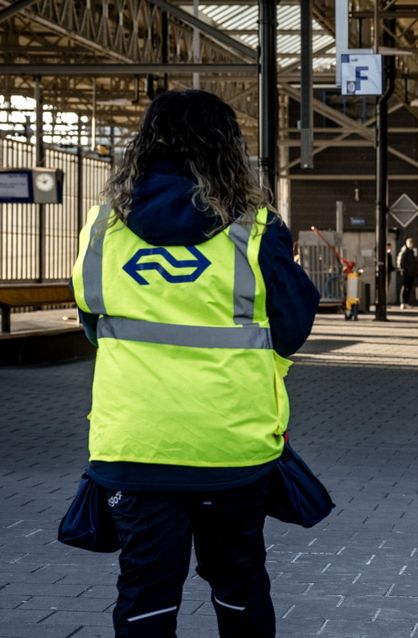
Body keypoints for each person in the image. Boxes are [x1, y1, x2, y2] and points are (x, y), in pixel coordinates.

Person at [70, 89, 320, 638]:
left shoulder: (100, 228)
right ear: (227, 150)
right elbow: (294, 325)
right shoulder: (253, 229)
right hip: (231, 446)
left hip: (134, 445)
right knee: (238, 584)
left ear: (144, 145)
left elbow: (93, 322)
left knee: (146, 591)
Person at [397, 237, 418, 308]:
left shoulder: (412, 252)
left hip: (411, 273)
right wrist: (402, 270)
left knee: (408, 288)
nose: (411, 245)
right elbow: (400, 262)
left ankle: (406, 302)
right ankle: (402, 302)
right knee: (404, 287)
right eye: (410, 243)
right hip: (406, 273)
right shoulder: (405, 251)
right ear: (407, 243)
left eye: (412, 243)